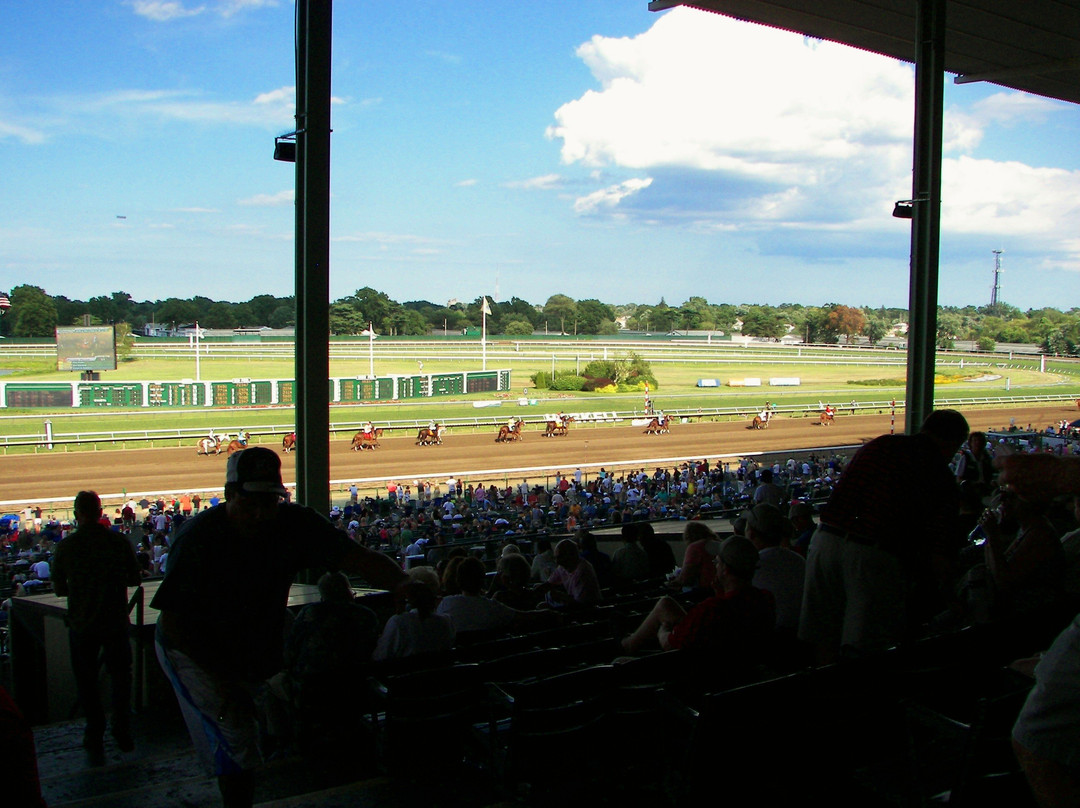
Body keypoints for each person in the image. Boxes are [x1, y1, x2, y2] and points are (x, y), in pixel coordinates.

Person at [151, 447, 406, 808]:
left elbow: (359, 559)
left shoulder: (294, 523)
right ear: (229, 495)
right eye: (249, 503)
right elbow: (178, 624)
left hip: (245, 642)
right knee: (237, 732)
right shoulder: (198, 538)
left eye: (268, 503)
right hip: (192, 649)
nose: (258, 514)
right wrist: (226, 684)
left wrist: (401, 583)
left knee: (247, 730)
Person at [799, 409, 969, 664]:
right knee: (863, 648)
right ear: (953, 443)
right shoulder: (940, 474)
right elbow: (939, 549)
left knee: (822, 638)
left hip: (824, 541)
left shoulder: (880, 445)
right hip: (872, 555)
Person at [51, 490, 142, 765]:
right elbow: (134, 579)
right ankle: (122, 728)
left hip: (82, 625)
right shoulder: (117, 541)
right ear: (101, 512)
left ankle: (94, 732)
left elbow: (58, 589)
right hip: (115, 621)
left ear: (78, 514)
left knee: (87, 681)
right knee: (121, 677)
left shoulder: (67, 546)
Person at [620, 537, 775, 668]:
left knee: (620, 662)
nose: (715, 565)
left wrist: (663, 632)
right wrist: (720, 592)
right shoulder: (765, 599)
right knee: (666, 604)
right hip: (743, 669)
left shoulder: (712, 609)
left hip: (703, 676)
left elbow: (671, 645)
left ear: (725, 569)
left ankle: (627, 645)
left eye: (718, 562)